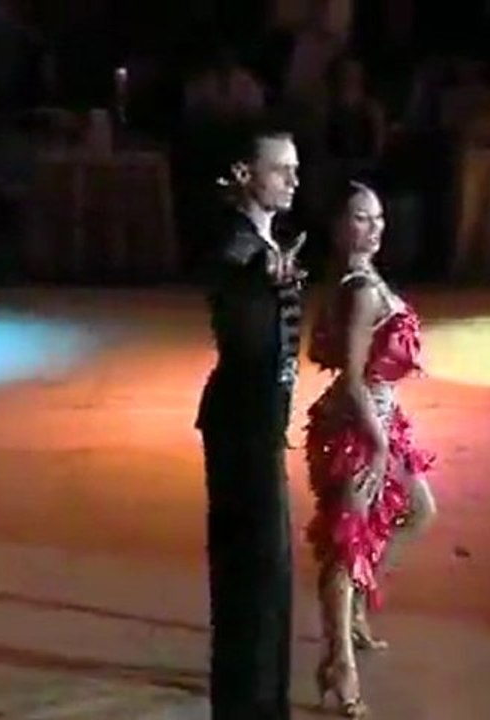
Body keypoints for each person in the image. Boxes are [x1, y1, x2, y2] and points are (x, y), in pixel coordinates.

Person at [304, 181, 437, 716]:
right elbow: (353, 378)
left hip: (383, 418)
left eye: (378, 217)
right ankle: (339, 661)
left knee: (420, 510)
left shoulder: (359, 279)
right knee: (347, 543)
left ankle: (356, 606)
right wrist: (378, 443)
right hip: (357, 426)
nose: (375, 227)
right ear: (339, 228)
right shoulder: (358, 289)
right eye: (361, 218)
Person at [195, 123, 305, 720]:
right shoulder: (236, 249)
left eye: (294, 168)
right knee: (250, 579)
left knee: (270, 578)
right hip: (241, 429)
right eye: (279, 168)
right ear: (244, 175)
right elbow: (241, 335)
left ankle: (267, 704)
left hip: (261, 426)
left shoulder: (266, 247)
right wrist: (261, 281)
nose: (292, 179)